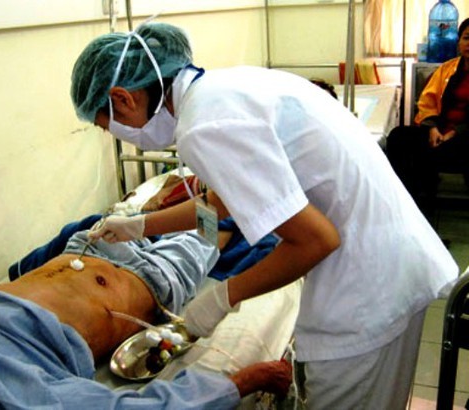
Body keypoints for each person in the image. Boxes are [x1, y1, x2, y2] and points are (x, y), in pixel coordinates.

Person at [70, 22, 459, 409]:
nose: (119, 136)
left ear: (122, 99)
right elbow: (223, 200)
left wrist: (224, 296)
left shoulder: (205, 125)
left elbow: (316, 240)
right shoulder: (222, 90)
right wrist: (139, 226)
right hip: (389, 259)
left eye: (109, 129)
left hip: (367, 287)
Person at [0, 229, 292, 409]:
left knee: (166, 200)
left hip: (86, 244)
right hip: (150, 279)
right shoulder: (21, 399)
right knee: (215, 225)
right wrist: (242, 382)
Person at [386, 18, 469, 222]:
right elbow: (427, 100)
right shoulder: (447, 69)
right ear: (458, 42)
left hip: (464, 138)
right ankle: (403, 205)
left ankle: (423, 208)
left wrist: (455, 132)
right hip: (439, 133)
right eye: (467, 38)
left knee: (428, 155)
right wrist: (432, 128)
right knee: (399, 136)